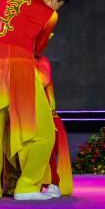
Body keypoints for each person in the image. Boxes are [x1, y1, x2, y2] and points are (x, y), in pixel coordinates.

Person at [0, 0, 72, 200]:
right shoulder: (49, 14)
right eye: (58, 5)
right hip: (20, 69)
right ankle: (27, 186)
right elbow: (38, 48)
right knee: (45, 131)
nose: (56, 9)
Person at [36, 55, 72, 198]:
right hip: (25, 113)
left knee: (46, 151)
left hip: (45, 115)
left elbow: (43, 80)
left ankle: (52, 183)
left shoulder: (40, 61)